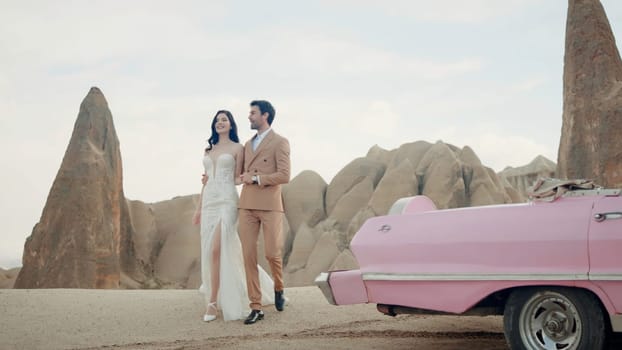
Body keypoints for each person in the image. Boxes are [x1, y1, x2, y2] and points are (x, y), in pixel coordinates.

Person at [193, 110, 274, 322]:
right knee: (213, 250)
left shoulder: (239, 148)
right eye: (217, 120)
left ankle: (212, 303)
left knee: (217, 248)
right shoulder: (209, 149)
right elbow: (206, 181)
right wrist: (198, 208)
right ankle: (222, 291)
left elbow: (237, 179)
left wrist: (253, 178)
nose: (220, 123)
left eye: (224, 120)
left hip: (227, 201)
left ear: (231, 125)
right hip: (210, 201)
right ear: (214, 125)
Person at [238, 100, 291, 325]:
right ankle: (256, 306)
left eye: (253, 113)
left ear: (265, 115)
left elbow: (284, 175)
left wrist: (258, 178)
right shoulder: (246, 145)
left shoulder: (280, 142)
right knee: (248, 255)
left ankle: (278, 287)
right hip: (247, 204)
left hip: (270, 204)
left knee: (271, 253)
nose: (249, 116)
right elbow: (239, 174)